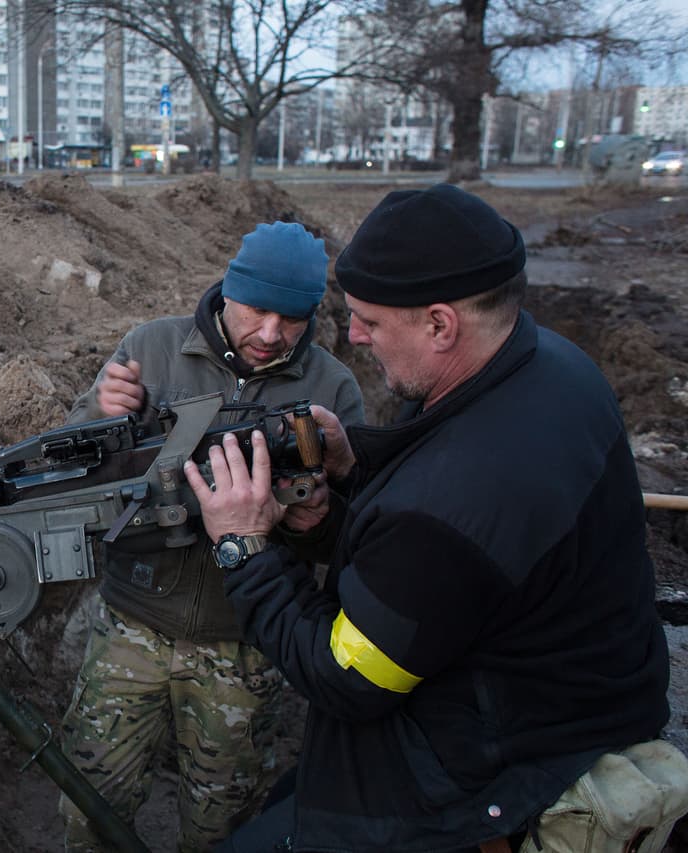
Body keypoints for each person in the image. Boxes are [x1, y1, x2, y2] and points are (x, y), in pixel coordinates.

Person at [186, 184, 680, 852]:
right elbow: (443, 486)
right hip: (563, 702)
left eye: (369, 320)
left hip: (489, 778)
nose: (353, 335)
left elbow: (345, 677)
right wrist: (354, 462)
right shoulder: (553, 367)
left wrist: (244, 546)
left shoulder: (456, 504)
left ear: (442, 324)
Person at [59, 221, 365, 852]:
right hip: (131, 628)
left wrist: (318, 522)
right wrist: (97, 415)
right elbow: (70, 471)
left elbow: (355, 535)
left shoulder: (333, 391)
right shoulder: (154, 347)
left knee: (223, 824)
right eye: (257, 310)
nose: (271, 334)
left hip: (247, 647)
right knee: (89, 804)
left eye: (293, 319)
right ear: (228, 289)